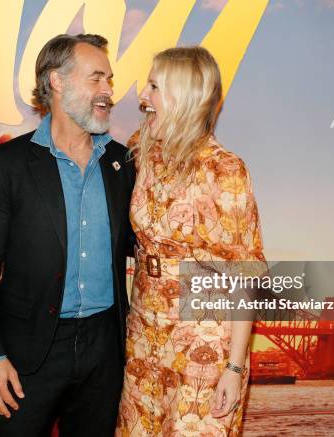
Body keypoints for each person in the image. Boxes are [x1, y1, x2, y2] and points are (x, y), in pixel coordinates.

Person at [0, 33, 135, 437]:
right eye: (96, 79)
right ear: (57, 82)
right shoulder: (6, 165)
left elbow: (141, 247)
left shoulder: (122, 163)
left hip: (104, 352)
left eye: (109, 80)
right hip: (27, 356)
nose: (109, 91)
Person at [116, 46, 265, 436]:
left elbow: (245, 276)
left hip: (204, 339)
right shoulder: (145, 150)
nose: (141, 97)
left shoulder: (225, 170)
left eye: (153, 87)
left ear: (182, 98)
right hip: (144, 333)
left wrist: (234, 367)